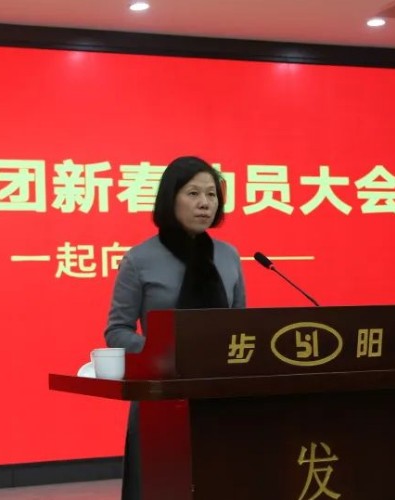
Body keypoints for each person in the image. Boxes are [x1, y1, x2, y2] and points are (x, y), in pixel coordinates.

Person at [103, 155, 247, 500]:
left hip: (219, 396)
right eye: (193, 193)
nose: (204, 203)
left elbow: (241, 327)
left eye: (211, 194)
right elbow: (117, 331)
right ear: (170, 199)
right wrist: (165, 352)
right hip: (163, 395)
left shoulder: (228, 256)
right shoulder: (140, 259)